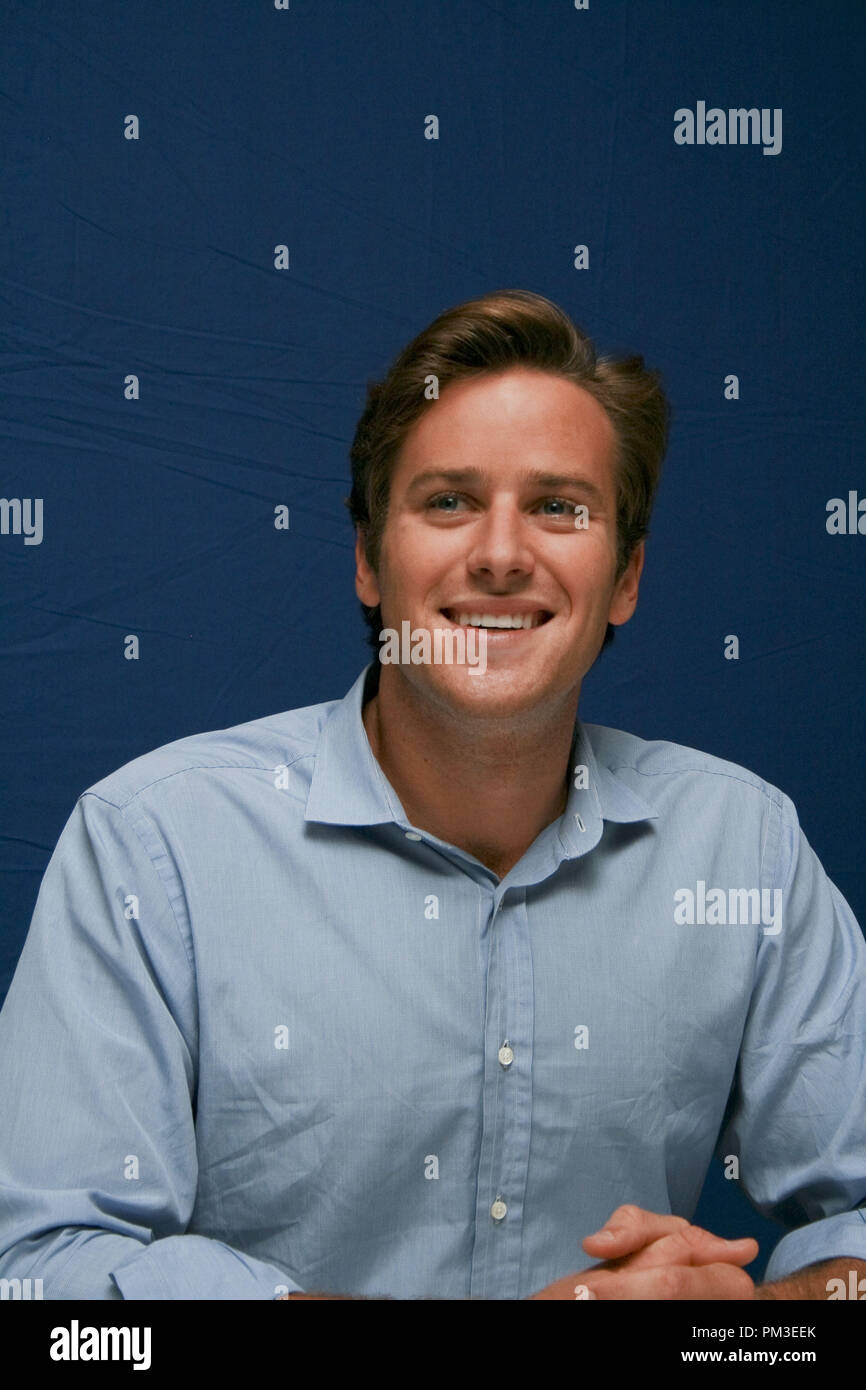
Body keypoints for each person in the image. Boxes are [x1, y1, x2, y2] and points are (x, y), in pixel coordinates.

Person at [1, 290, 864, 1301]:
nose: (500, 554)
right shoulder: (153, 846)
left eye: (557, 506)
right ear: (370, 558)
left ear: (624, 575)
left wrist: (742, 1329)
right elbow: (44, 1288)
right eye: (448, 500)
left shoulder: (741, 850)